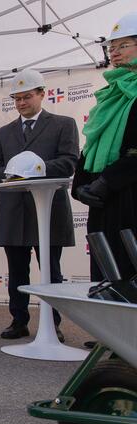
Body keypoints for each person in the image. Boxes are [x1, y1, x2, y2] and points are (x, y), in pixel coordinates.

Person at [0, 69, 78, 342]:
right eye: (17, 99)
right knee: (17, 271)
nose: (22, 103)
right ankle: (19, 320)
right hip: (13, 210)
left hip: (49, 209)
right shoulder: (3, 132)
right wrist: (9, 173)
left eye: (27, 97)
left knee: (51, 270)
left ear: (42, 94)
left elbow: (69, 160)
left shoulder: (63, 124)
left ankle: (52, 322)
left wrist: (33, 169)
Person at [73, 12, 137, 284]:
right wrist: (81, 185)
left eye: (123, 45)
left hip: (131, 198)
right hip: (103, 200)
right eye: (111, 47)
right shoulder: (110, 94)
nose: (114, 52)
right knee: (105, 279)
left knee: (128, 275)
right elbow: (91, 145)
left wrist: (107, 182)